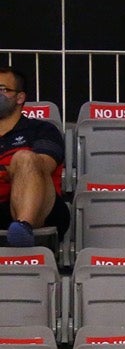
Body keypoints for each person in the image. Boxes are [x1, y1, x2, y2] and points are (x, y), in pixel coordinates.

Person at [0, 66, 68, 249]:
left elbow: (44, 165)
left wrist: (7, 169)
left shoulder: (42, 130)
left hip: (40, 208)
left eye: (2, 89)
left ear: (20, 98)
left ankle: (23, 229)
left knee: (25, 158)